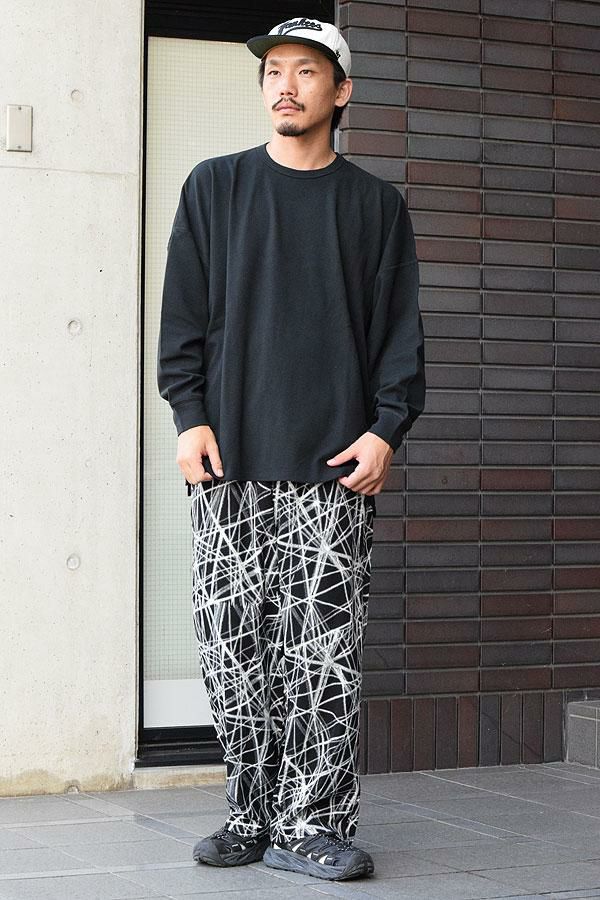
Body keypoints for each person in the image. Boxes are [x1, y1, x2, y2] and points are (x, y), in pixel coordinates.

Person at [157, 16, 425, 883]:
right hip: (227, 463)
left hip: (334, 471)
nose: (286, 84)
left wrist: (386, 430)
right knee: (232, 650)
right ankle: (250, 813)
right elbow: (183, 316)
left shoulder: (375, 206)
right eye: (274, 69)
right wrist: (188, 416)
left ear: (340, 92)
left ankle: (311, 825)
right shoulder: (216, 187)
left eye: (307, 71)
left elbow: (399, 334)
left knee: (321, 658)